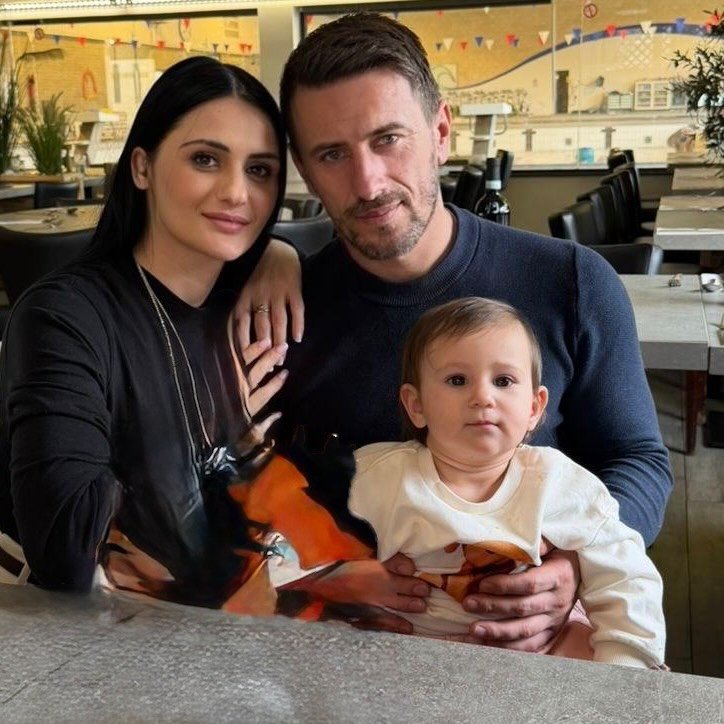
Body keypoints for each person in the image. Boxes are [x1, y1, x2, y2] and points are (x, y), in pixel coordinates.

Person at [236, 12, 674, 651]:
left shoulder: (571, 282)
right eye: (332, 154)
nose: (368, 183)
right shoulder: (281, 310)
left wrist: (575, 564)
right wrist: (317, 580)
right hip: (344, 656)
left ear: (440, 132)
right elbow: (246, 494)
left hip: (538, 655)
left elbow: (639, 460)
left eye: (388, 139)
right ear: (303, 165)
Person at [0, 56, 292, 604]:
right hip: (112, 638)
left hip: (236, 617)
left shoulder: (252, 307)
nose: (237, 192)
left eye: (259, 170)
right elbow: (66, 549)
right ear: (141, 167)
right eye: (205, 159)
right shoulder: (65, 317)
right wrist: (207, 443)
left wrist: (282, 251)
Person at [348, 297, 667, 669]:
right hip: (402, 657)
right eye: (457, 380)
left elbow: (625, 576)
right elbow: (298, 540)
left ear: (534, 407)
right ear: (415, 405)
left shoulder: (558, 483)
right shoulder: (376, 476)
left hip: (539, 653)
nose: (483, 397)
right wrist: (338, 578)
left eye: (503, 381)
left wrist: (625, 666)